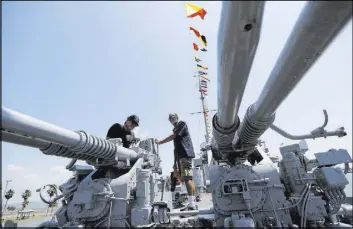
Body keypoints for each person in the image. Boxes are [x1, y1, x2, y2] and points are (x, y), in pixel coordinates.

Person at [155, 113, 198, 210]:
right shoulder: (176, 130)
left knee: (188, 179)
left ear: (177, 118)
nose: (172, 120)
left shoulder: (182, 124)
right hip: (182, 157)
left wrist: (160, 142)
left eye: (173, 118)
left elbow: (173, 136)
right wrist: (175, 164)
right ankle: (193, 203)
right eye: (170, 119)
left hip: (185, 156)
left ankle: (192, 204)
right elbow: (176, 149)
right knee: (188, 179)